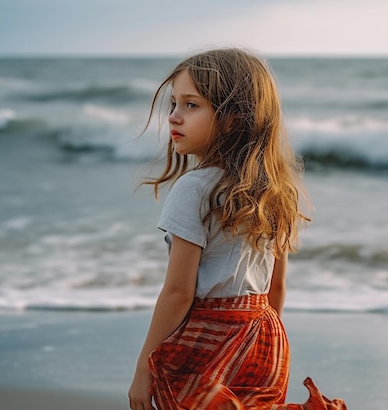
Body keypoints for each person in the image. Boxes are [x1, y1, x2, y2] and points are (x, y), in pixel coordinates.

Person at [128, 48, 346, 410]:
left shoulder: (194, 188)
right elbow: (276, 288)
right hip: (266, 336)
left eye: (191, 105)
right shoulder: (275, 191)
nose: (174, 117)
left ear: (232, 119)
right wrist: (260, 345)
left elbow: (178, 292)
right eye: (173, 104)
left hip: (208, 337)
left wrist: (142, 371)